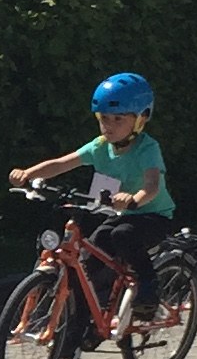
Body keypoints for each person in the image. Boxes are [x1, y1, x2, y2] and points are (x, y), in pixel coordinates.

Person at [10, 73, 176, 328]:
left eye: (118, 119)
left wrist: (134, 199)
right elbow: (61, 163)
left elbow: (152, 186)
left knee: (123, 235)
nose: (109, 125)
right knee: (87, 264)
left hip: (152, 216)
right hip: (120, 215)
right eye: (104, 118)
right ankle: (81, 329)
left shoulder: (147, 148)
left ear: (140, 119)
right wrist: (28, 173)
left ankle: (148, 285)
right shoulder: (99, 146)